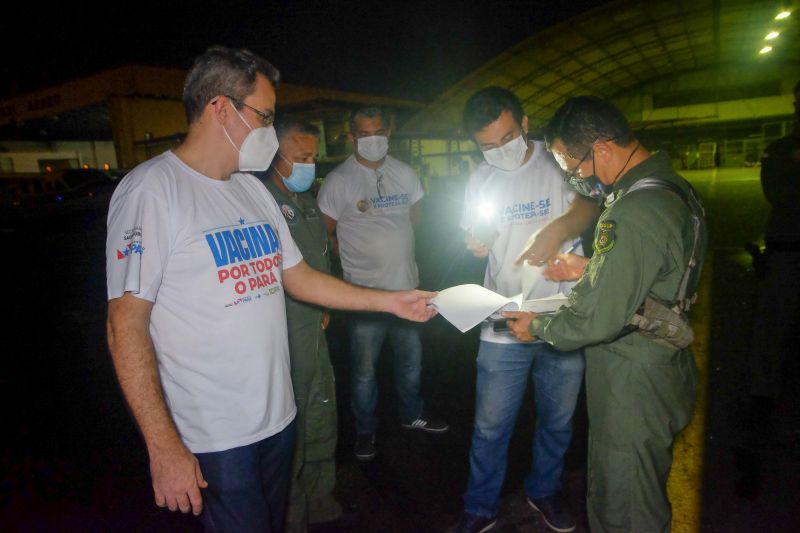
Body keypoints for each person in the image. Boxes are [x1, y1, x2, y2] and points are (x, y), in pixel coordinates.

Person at [105, 46, 436, 533]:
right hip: (214, 435)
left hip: (278, 418)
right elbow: (124, 324)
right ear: (220, 108)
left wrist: (389, 301)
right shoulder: (152, 190)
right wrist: (163, 446)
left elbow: (298, 276)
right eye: (265, 116)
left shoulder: (251, 189)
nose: (269, 130)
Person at [505, 96, 708, 533]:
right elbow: (654, 273)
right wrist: (589, 268)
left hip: (631, 378)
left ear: (599, 148)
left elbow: (594, 319)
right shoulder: (671, 188)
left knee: (625, 505)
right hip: (661, 365)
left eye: (571, 165)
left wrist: (536, 325)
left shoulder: (632, 211)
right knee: (639, 488)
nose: (573, 177)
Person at [453, 87, 599, 533]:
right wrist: (476, 241)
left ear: (525, 124)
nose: (499, 150)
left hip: (560, 316)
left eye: (507, 136)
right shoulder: (480, 178)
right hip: (504, 317)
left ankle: (544, 490)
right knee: (490, 427)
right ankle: (480, 505)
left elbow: (591, 203)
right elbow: (477, 232)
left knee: (557, 421)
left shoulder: (558, 160)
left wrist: (557, 230)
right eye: (487, 145)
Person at [317, 106, 448, 462]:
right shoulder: (339, 181)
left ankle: (412, 415)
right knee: (363, 372)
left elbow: (414, 219)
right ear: (351, 137)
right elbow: (321, 235)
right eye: (363, 134)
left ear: (388, 132)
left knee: (410, 362)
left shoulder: (404, 173)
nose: (372, 139)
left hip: (407, 289)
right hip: (365, 299)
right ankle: (365, 431)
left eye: (378, 131)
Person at [253, 119, 357, 532]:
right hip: (284, 337)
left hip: (315, 330)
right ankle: (293, 518)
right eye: (301, 157)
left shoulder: (307, 198)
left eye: (313, 157)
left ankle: (322, 501)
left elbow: (319, 256)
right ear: (274, 156)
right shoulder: (258, 199)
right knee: (292, 432)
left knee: (321, 417)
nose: (309, 165)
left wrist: (325, 303)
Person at [746, 80, 800, 431]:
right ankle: (762, 400)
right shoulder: (782, 149)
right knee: (772, 331)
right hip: (788, 252)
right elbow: (777, 193)